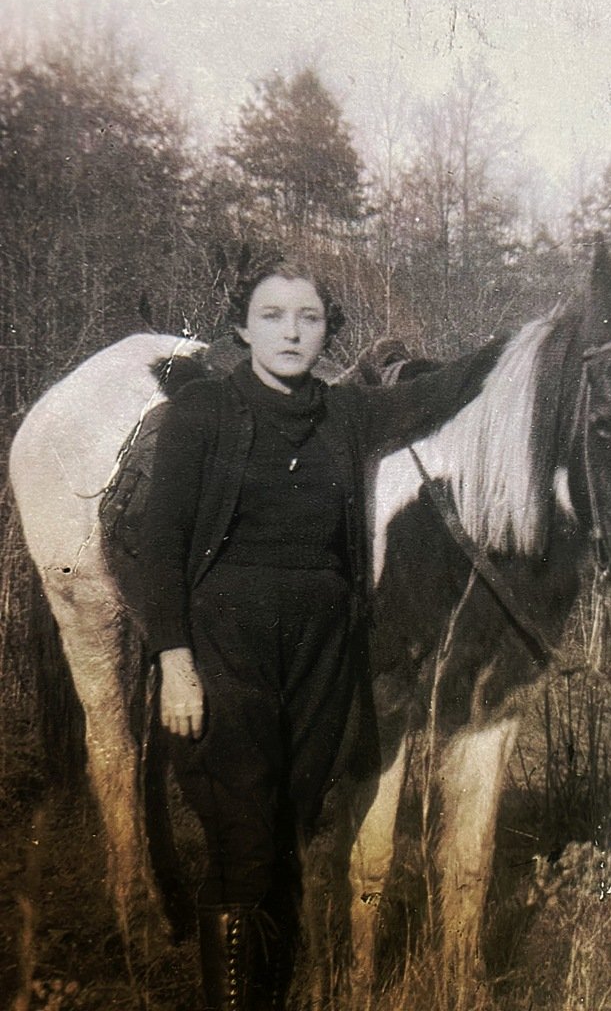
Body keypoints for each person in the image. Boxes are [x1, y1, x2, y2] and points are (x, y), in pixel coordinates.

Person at [139, 257, 506, 1010]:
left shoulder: (350, 416)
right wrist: (174, 660)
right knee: (243, 844)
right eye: (273, 315)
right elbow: (160, 546)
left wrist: (517, 345)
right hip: (223, 651)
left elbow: (437, 393)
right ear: (242, 327)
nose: (291, 333)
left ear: (327, 333)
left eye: (308, 318)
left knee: (287, 840)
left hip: (319, 659)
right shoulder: (201, 413)